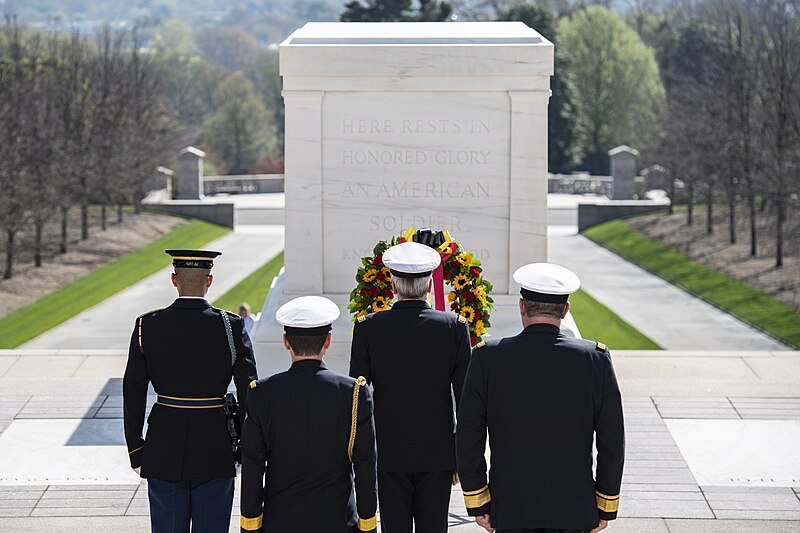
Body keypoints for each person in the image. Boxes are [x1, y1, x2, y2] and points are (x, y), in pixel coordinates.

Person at [456, 262, 625, 533]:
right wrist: (605, 503)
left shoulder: (487, 358)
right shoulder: (595, 360)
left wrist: (479, 501)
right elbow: (612, 441)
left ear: (522, 307)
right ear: (565, 311)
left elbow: (468, 436)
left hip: (510, 507)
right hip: (574, 507)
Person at [123, 249, 259, 533]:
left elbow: (133, 392)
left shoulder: (147, 325)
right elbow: (249, 392)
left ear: (174, 280)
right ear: (209, 282)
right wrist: (245, 449)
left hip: (163, 445)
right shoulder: (230, 326)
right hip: (215, 447)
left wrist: (136, 448)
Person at [349, 241, 472, 533]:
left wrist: (363, 455)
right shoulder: (453, 327)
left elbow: (358, 399)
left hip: (388, 452)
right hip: (437, 453)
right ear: (430, 284)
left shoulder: (368, 328)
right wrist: (460, 454)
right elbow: (465, 399)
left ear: (392, 285)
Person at [239, 295, 378, 532]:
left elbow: (253, 465)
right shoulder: (353, 393)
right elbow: (365, 464)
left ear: (286, 342)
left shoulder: (262, 393)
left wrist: (250, 525)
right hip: (337, 522)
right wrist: (367, 525)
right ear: (328, 341)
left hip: (280, 522)